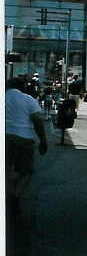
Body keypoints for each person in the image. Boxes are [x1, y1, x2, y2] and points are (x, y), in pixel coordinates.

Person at [6, 77, 48, 214]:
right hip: (24, 138)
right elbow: (37, 120)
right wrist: (43, 140)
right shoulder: (29, 99)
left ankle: (8, 194)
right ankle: (15, 196)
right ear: (22, 87)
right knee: (26, 172)